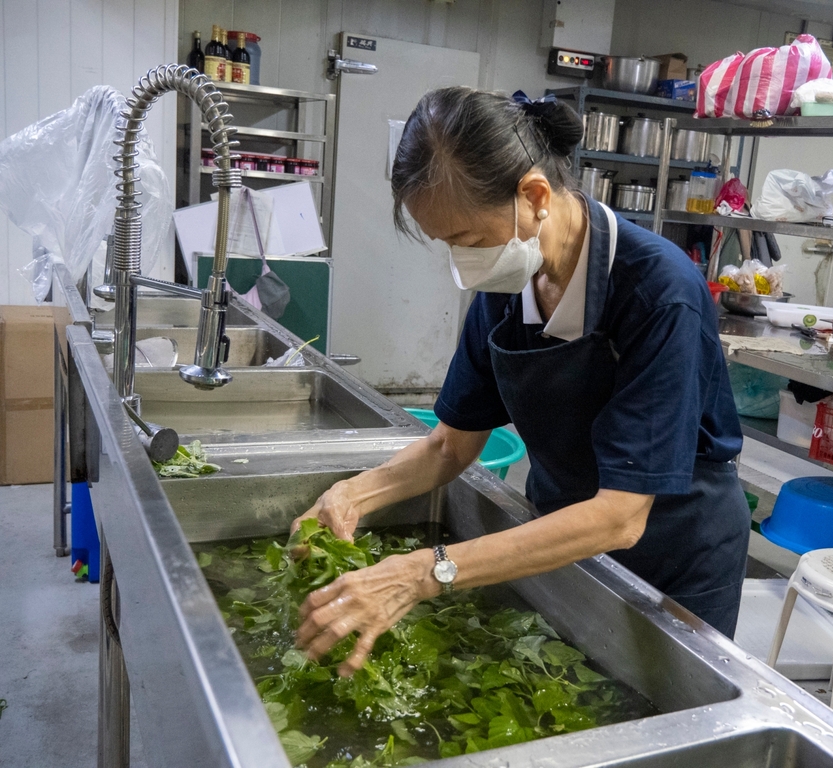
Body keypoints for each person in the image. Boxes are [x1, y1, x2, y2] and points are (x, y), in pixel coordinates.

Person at [292, 86, 748, 675]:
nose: (462, 262)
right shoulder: (509, 288)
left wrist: (422, 572)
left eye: (469, 240)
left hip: (675, 551)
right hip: (557, 530)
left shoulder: (659, 291)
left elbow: (621, 515)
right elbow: (451, 444)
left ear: (534, 196)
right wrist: (353, 493)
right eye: (447, 245)